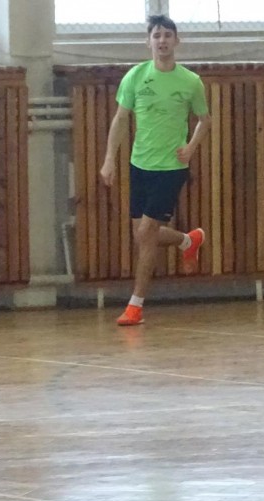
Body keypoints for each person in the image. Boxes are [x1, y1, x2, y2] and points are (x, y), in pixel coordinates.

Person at [100, 14, 211, 327]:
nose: (162, 41)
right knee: (142, 234)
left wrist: (191, 147)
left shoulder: (190, 82)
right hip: (140, 166)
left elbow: (205, 120)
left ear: (177, 41)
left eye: (167, 35)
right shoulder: (136, 77)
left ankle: (135, 305)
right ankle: (188, 240)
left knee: (146, 233)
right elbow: (120, 119)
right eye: (157, 35)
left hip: (171, 167)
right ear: (148, 41)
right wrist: (109, 159)